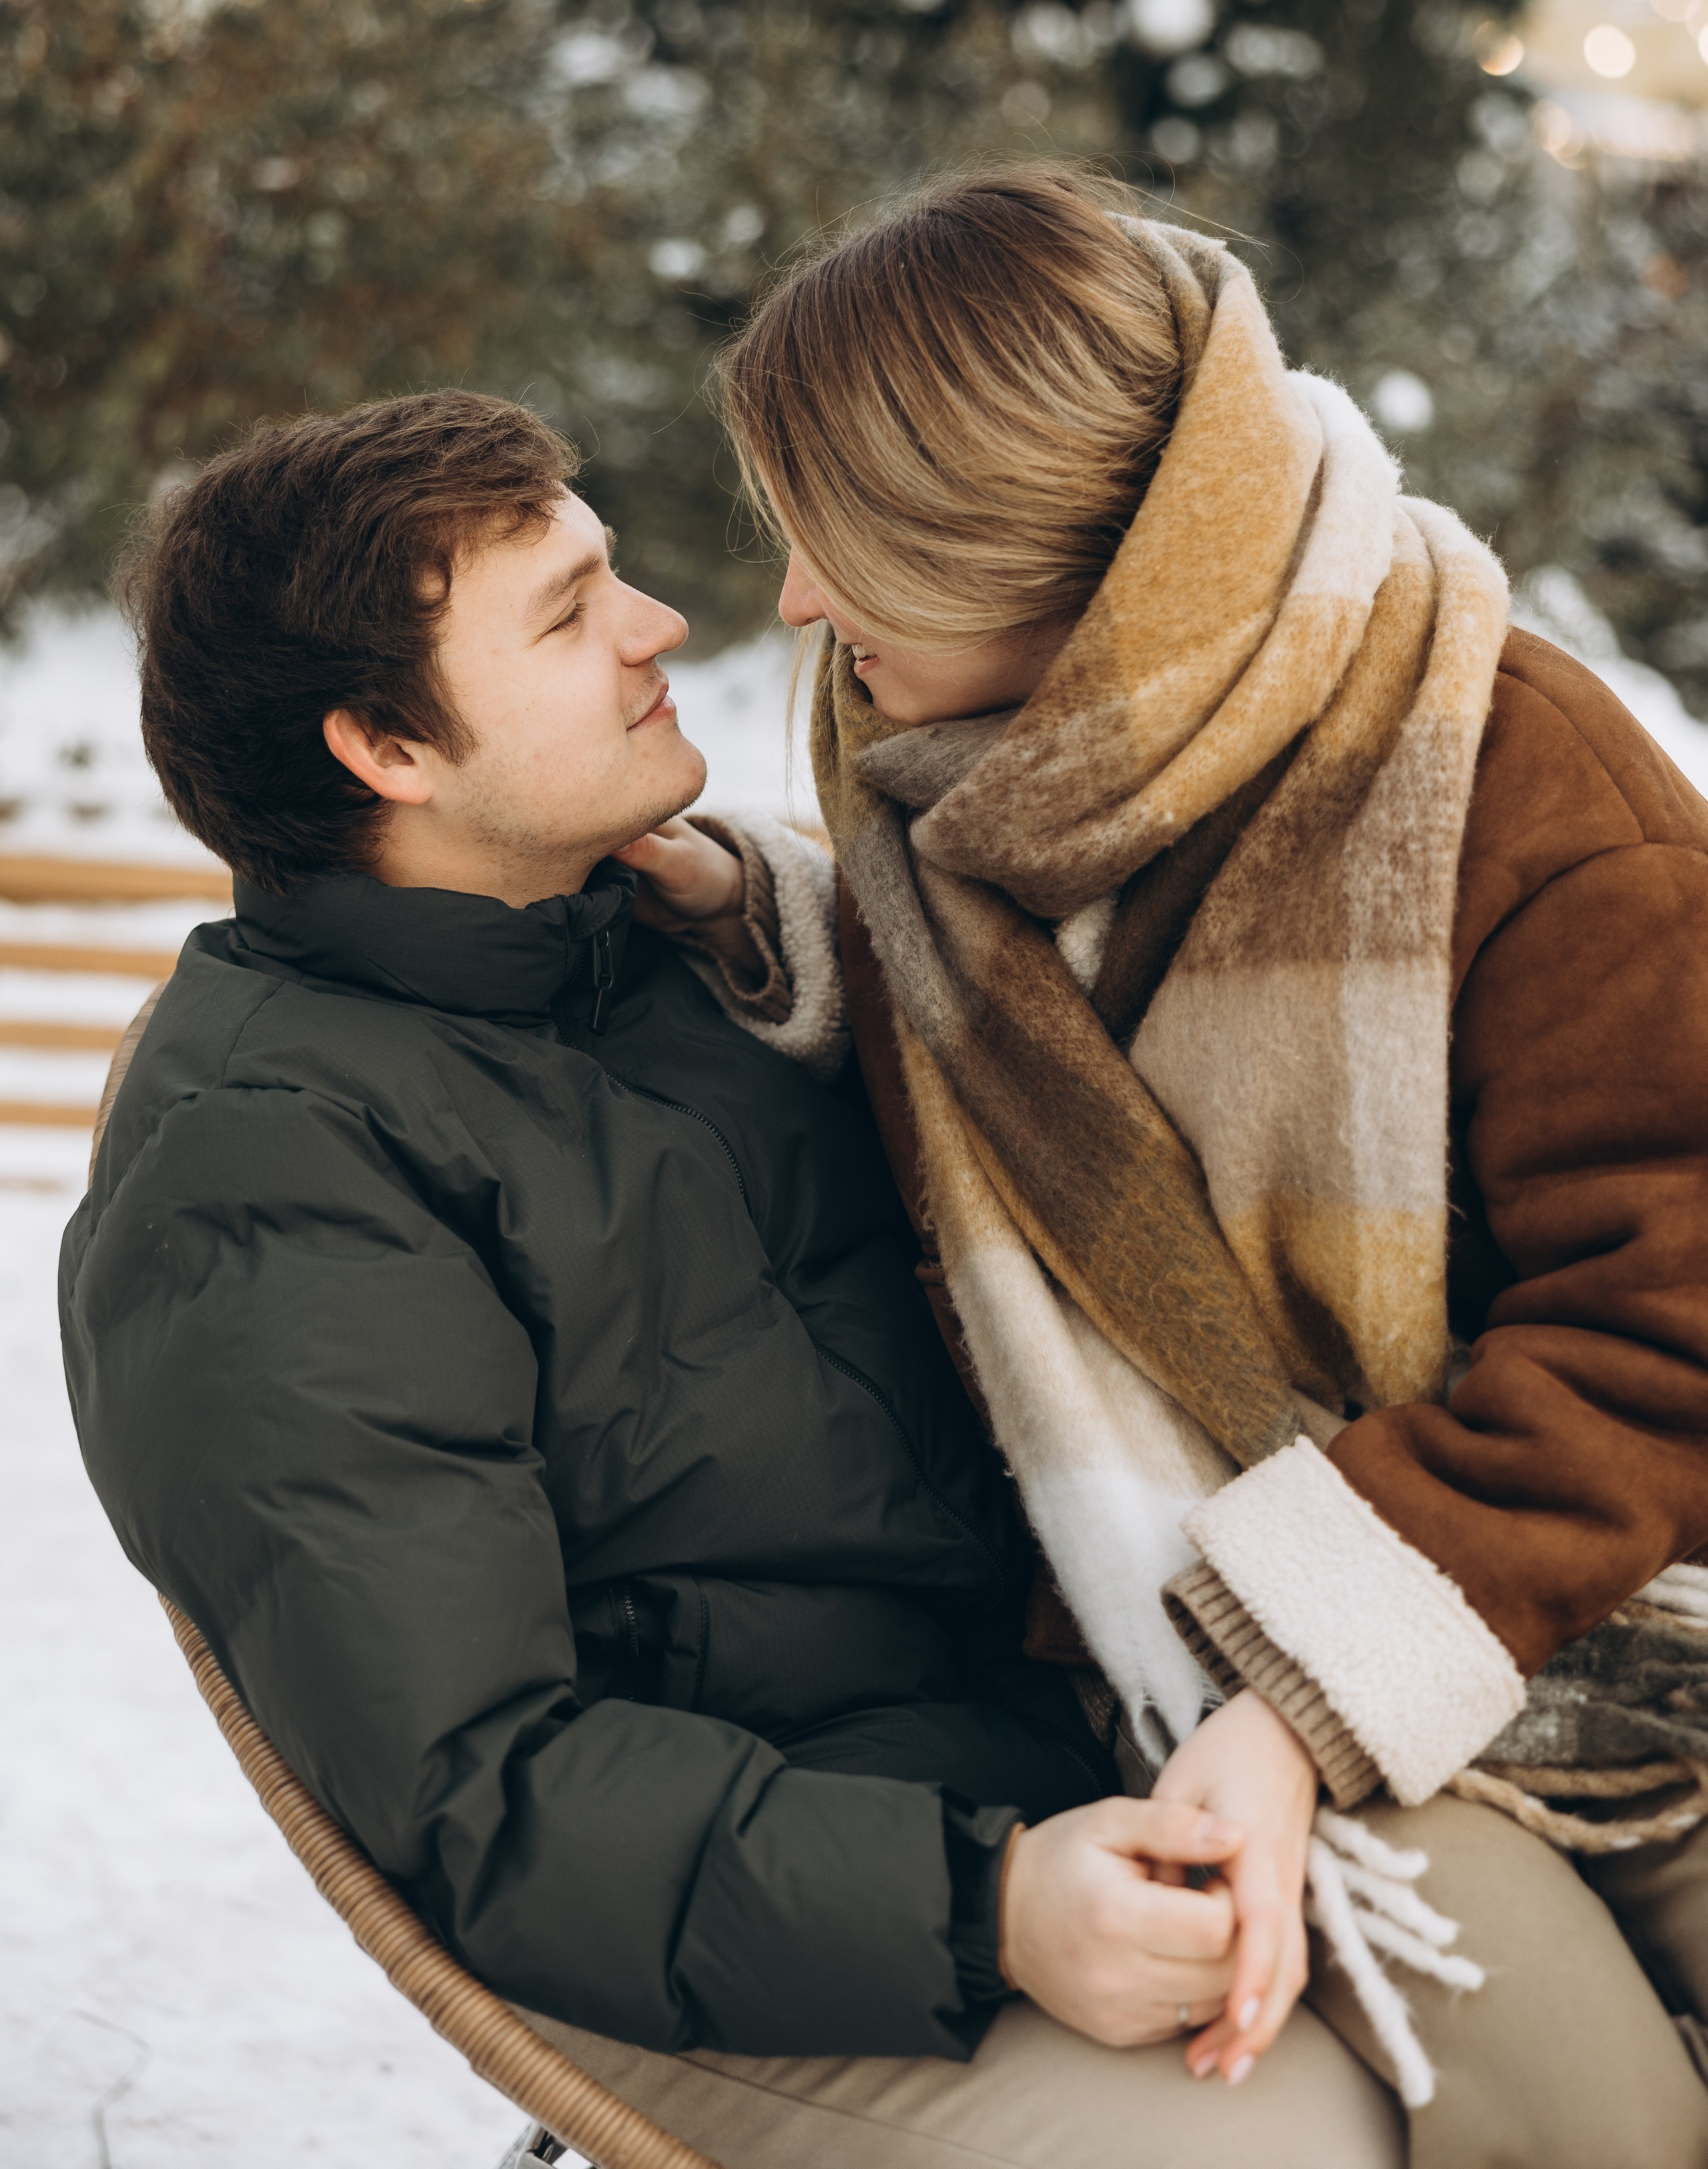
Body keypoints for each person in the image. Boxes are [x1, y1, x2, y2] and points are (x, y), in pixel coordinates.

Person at [62, 390, 1406, 2169]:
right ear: (388, 746)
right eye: (569, 610)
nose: (662, 625)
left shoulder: (674, 959)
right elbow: (482, 1786)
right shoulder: (266, 1171)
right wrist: (984, 1909)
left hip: (1074, 1746)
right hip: (750, 1912)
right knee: (1304, 2148)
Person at [715, 164, 1708, 2168]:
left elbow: (1671, 1328)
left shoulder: (1516, 788)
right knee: (1593, 2123)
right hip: (1173, 1635)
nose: (795, 607)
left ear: (1032, 555)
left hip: (1583, 1605)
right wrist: (769, 928)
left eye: (836, 548)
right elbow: (1053, 1105)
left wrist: (1303, 1690)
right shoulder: (945, 799)